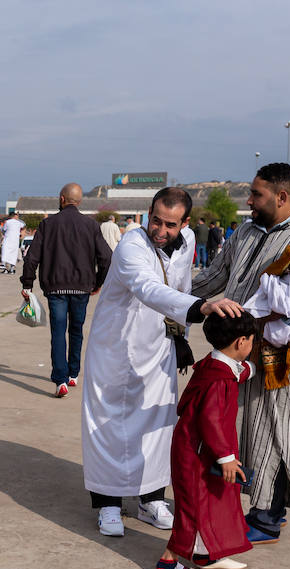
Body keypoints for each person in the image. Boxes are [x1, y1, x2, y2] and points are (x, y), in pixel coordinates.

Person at [191, 162, 290, 544]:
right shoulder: (245, 232)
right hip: (239, 354)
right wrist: (173, 299)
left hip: (282, 360)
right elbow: (215, 277)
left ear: (282, 197)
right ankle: (241, 506)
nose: (249, 201)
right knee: (239, 430)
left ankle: (267, 518)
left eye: (257, 194)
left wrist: (287, 316)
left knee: (277, 433)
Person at [80, 187, 242, 537]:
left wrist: (180, 336)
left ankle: (151, 499)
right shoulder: (131, 246)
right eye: (156, 221)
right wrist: (200, 307)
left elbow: (180, 285)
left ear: (184, 222)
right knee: (108, 426)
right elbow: (147, 287)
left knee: (159, 424)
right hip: (115, 349)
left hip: (158, 348)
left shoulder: (186, 243)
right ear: (148, 214)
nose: (161, 230)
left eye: (170, 224)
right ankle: (108, 504)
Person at [156, 309, 257, 569]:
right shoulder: (218, 380)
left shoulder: (216, 367)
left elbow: (238, 371)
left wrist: (250, 367)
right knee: (192, 506)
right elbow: (210, 419)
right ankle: (170, 561)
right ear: (240, 343)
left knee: (210, 501)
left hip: (202, 451)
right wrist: (226, 457)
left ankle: (204, 553)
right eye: (251, 341)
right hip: (197, 453)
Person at [21, 183, 112, 397]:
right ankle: (73, 374)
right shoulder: (90, 225)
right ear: (79, 201)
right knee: (77, 330)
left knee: (58, 332)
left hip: (56, 288)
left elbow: (31, 257)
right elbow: (107, 258)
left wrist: (27, 283)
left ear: (62, 199)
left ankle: (60, 380)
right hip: (82, 288)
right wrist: (97, 282)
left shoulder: (48, 224)